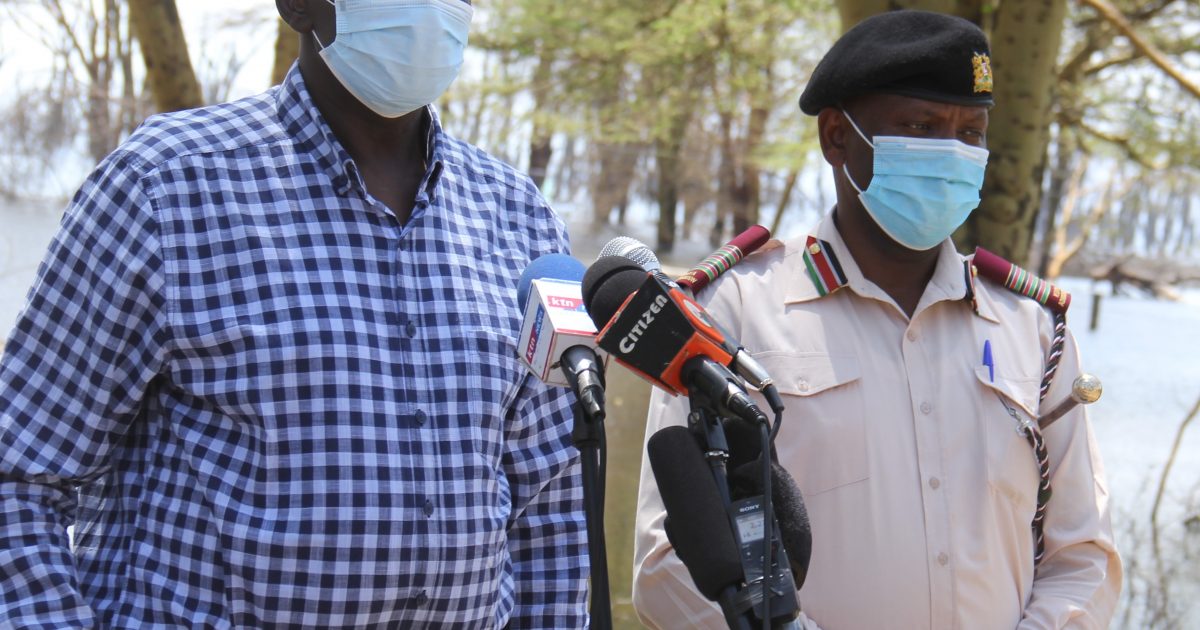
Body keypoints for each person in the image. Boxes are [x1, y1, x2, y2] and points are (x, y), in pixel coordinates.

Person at [0, 0, 588, 627]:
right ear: (299, 5)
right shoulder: (165, 187)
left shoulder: (519, 217)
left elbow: (550, 506)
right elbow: (20, 476)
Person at [632, 10, 1120, 629]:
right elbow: (668, 563)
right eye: (922, 126)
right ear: (837, 136)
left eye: (971, 132)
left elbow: (1084, 556)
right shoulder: (731, 315)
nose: (952, 152)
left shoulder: (1033, 328)